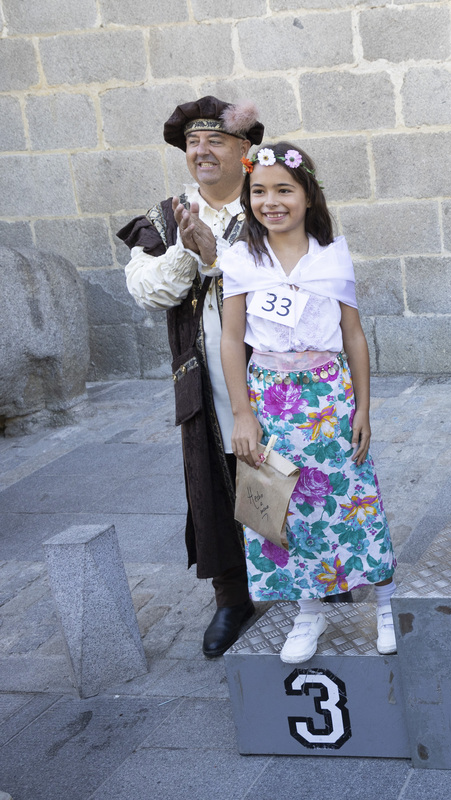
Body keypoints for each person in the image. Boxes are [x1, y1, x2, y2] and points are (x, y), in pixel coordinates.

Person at [219, 142, 396, 663]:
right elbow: (231, 340)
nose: (271, 202)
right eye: (259, 191)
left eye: (283, 190)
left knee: (353, 496)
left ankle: (384, 598)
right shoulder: (241, 260)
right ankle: (308, 608)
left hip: (329, 395)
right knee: (287, 507)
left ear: (307, 195)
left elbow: (354, 335)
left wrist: (363, 406)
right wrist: (242, 413)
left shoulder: (331, 256)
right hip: (270, 401)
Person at [117, 96, 264, 658]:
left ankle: (317, 581)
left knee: (293, 467)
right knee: (213, 477)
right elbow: (148, 289)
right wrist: (189, 250)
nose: (202, 152)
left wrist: (218, 252)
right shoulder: (165, 217)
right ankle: (233, 595)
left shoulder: (270, 199)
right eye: (193, 144)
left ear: (243, 150)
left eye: (216, 141)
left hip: (273, 367)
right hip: (202, 373)